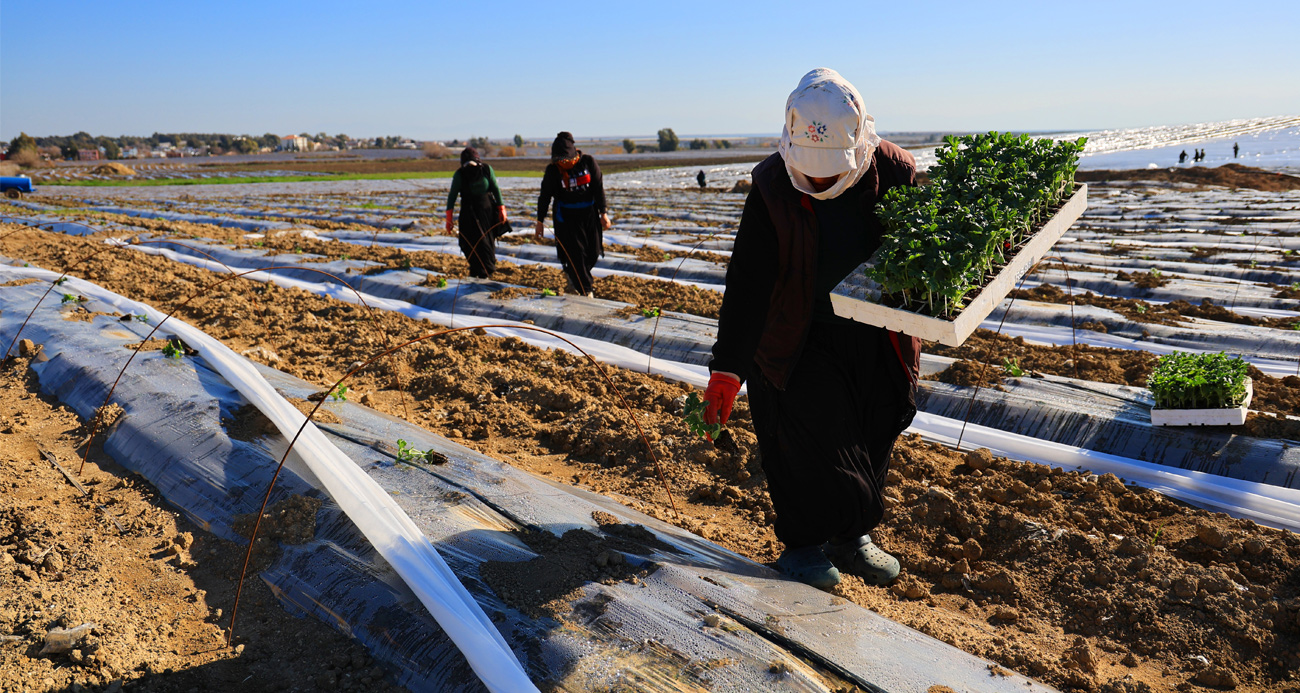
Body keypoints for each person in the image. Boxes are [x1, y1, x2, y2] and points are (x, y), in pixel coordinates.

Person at [701, 68, 920, 590]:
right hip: (797, 336)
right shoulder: (774, 185)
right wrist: (728, 367)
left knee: (875, 428)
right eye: (812, 172)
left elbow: (922, 243)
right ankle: (801, 545)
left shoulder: (893, 170)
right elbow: (749, 281)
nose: (819, 181)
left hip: (875, 330)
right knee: (813, 442)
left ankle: (852, 539)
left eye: (830, 172)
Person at [535, 132, 609, 297]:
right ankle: (586, 290)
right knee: (576, 254)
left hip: (589, 214)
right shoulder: (553, 171)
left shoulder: (588, 163)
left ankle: (572, 274)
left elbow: (598, 188)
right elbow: (545, 196)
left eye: (565, 160)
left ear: (573, 155)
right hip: (566, 218)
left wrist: (603, 212)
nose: (562, 163)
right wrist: (540, 221)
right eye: (559, 160)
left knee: (593, 252)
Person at [445, 147, 507, 278]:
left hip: (486, 212)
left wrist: (502, 209)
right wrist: (449, 218)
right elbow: (452, 196)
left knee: (486, 242)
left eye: (472, 164)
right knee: (468, 243)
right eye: (467, 165)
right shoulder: (460, 175)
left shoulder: (486, 170)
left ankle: (487, 270)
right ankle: (476, 270)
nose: (470, 167)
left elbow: (496, 189)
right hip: (469, 213)